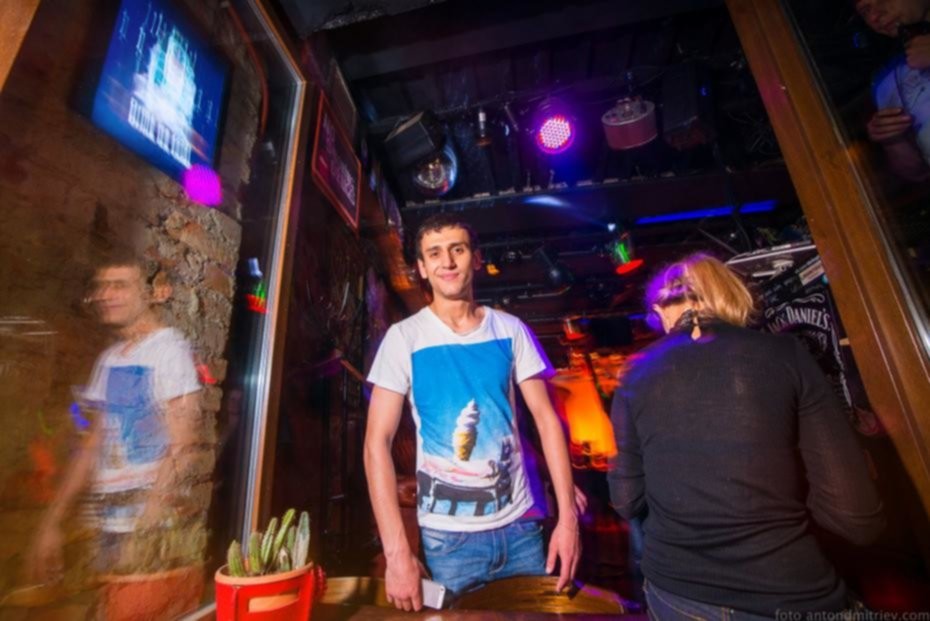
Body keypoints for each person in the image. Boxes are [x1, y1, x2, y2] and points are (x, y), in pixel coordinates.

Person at [608, 253, 885, 617]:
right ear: (731, 295)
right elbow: (856, 518)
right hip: (788, 588)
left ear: (660, 311)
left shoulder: (635, 372)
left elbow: (626, 501)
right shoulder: (785, 354)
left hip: (678, 593)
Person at [364, 213, 581, 611]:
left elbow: (546, 422)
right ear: (421, 268)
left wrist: (567, 520)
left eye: (457, 250)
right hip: (450, 541)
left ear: (476, 258)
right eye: (434, 253)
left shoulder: (510, 329)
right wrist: (397, 554)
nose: (447, 262)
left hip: (521, 529)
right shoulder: (404, 338)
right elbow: (376, 443)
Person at [26, 253, 202, 584]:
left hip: (150, 529)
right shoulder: (108, 360)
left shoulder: (169, 350)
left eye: (119, 285)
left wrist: (146, 526)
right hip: (107, 525)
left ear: (150, 293)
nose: (105, 295)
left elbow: (183, 446)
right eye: (101, 286)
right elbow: (92, 445)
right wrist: (52, 521)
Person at [857, 0, 930, 180]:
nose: (874, 17)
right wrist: (893, 140)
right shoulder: (886, 82)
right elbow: (915, 173)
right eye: (865, 11)